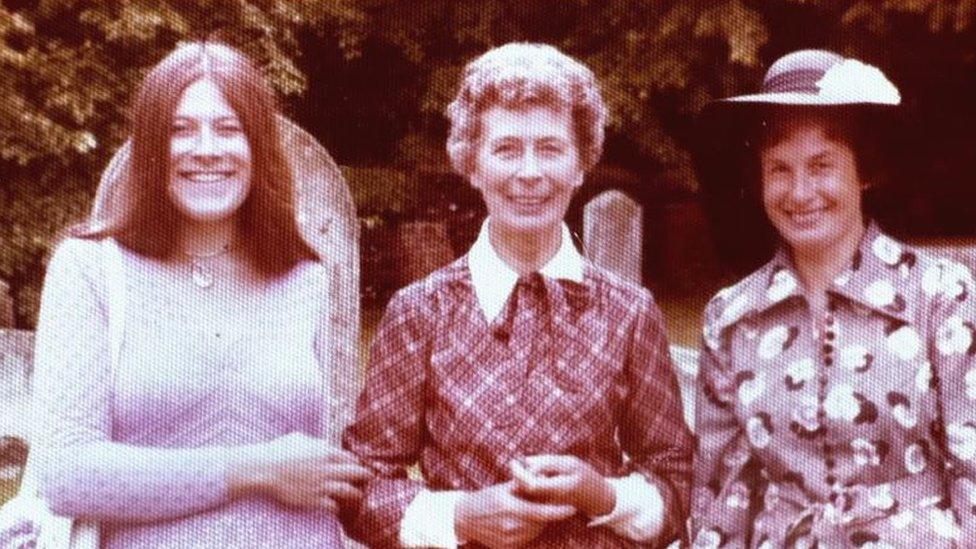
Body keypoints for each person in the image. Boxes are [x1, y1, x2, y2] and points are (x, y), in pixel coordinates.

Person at [342, 42, 694, 548]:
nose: (529, 172)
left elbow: (676, 481)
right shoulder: (421, 313)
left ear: (580, 164)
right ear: (472, 164)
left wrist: (604, 497)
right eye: (506, 149)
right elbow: (363, 485)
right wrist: (462, 516)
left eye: (550, 148)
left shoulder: (628, 313)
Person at [23, 42, 370, 547]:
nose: (206, 148)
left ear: (258, 148)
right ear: (149, 149)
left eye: (229, 129)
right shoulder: (91, 270)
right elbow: (67, 473)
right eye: (180, 130)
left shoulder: (304, 277)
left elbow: (327, 463)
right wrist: (257, 469)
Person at [690, 49, 976, 547]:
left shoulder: (940, 298)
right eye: (779, 169)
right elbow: (723, 492)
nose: (800, 192)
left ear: (864, 171)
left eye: (821, 165)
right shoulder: (733, 317)